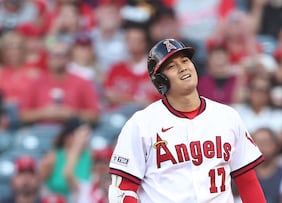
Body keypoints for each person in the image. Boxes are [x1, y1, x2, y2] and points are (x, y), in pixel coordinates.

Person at [108, 39, 266, 203]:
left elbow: (248, 182)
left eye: (184, 60)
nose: (182, 67)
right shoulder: (141, 124)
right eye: (171, 66)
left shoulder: (227, 116)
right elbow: (122, 192)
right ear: (160, 80)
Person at [39, 116, 93, 202]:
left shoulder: (91, 158)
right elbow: (39, 185)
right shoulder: (52, 158)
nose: (86, 139)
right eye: (83, 135)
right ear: (68, 136)